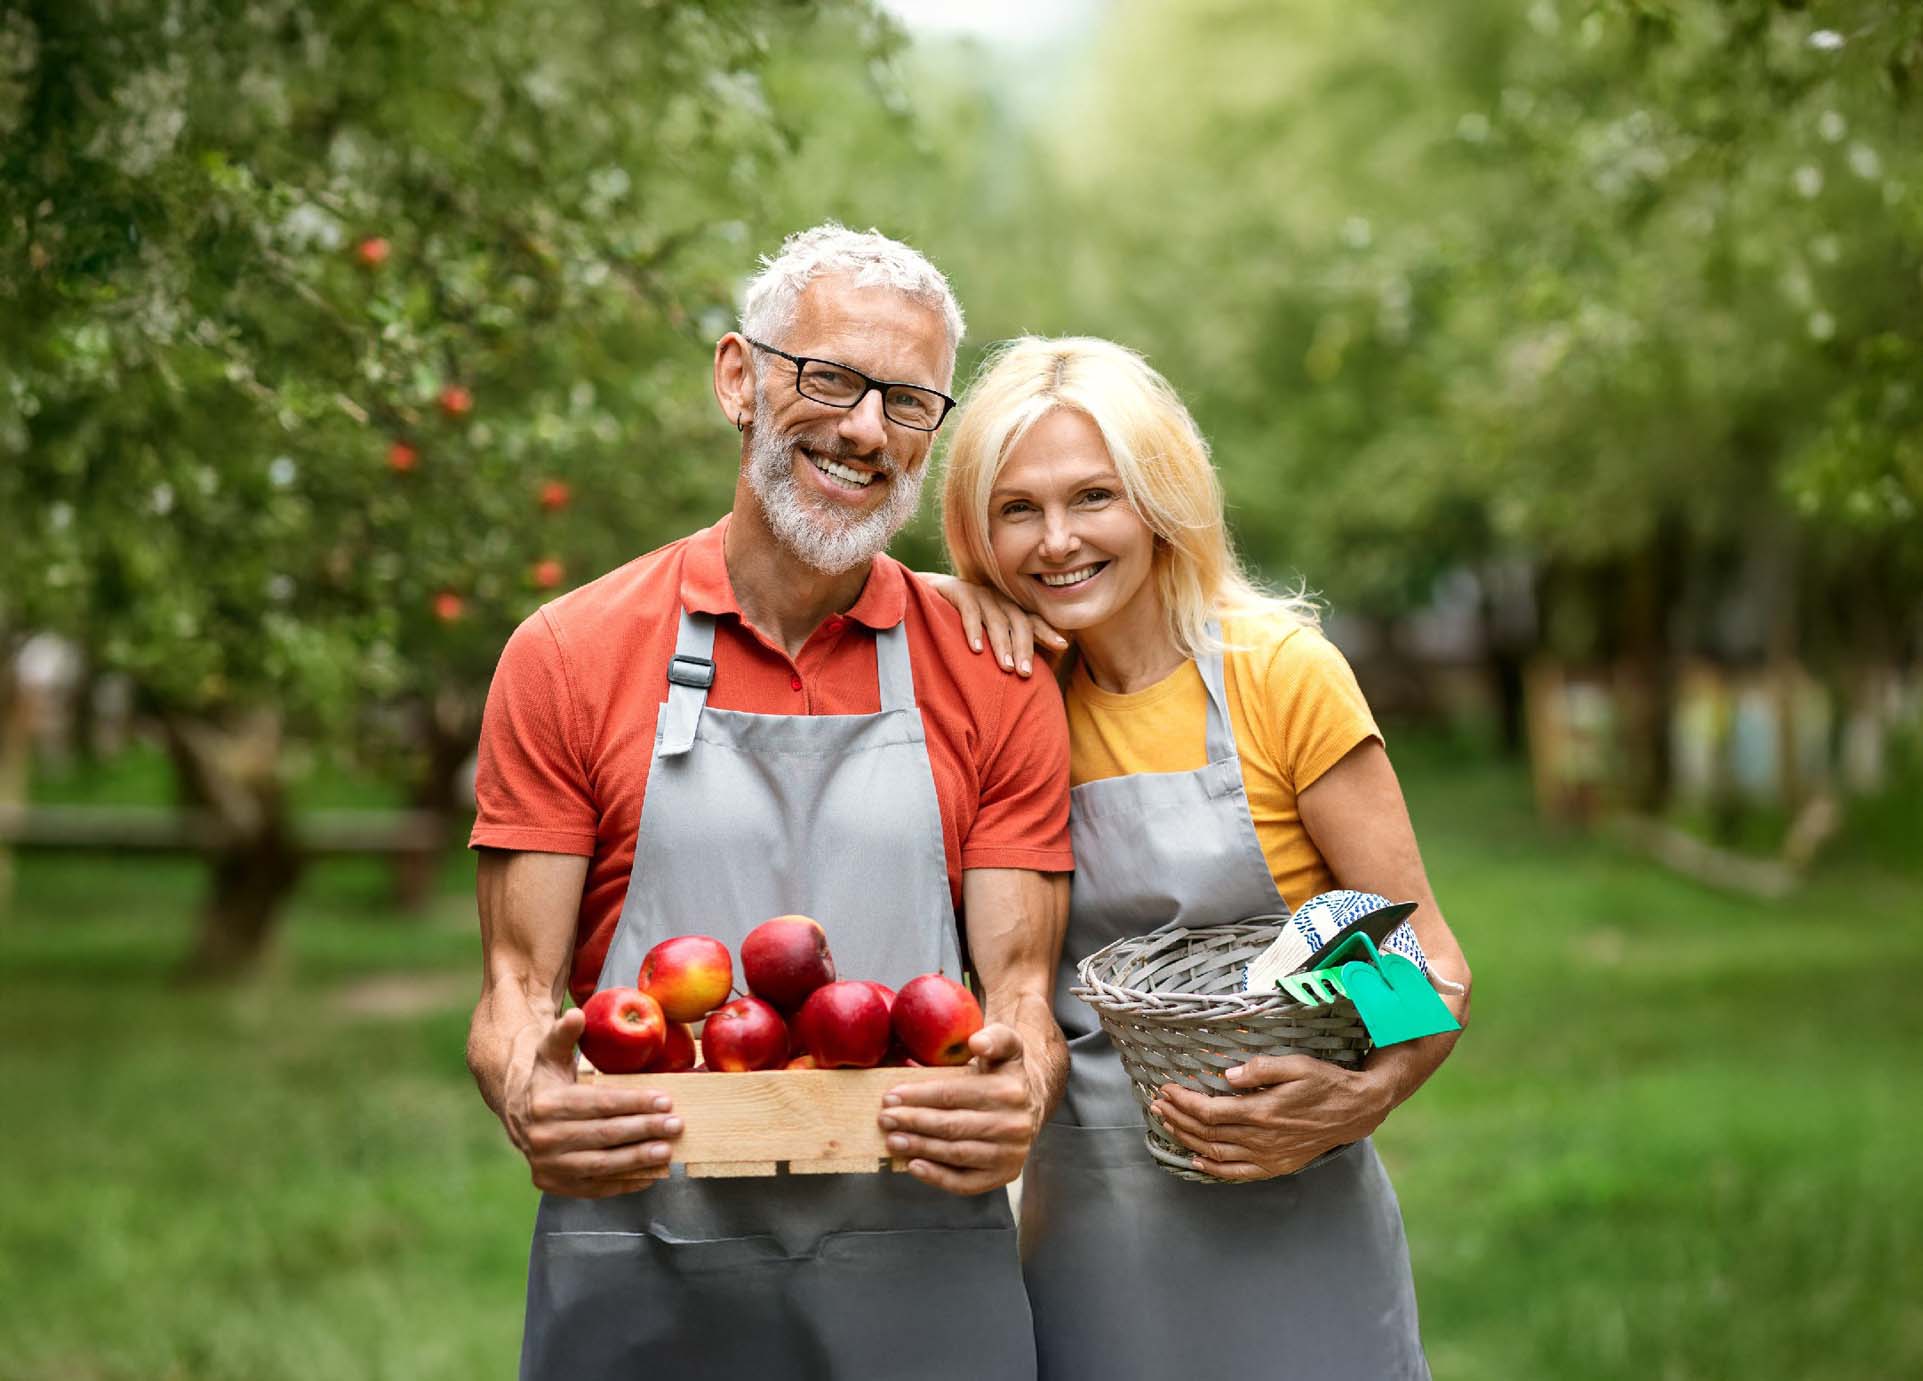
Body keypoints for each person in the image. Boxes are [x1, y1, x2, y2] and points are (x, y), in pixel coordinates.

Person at [465, 226, 1074, 1379]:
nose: (862, 429)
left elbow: (1024, 994)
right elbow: (513, 988)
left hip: (921, 1263)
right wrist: (524, 1089)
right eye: (831, 377)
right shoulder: (569, 653)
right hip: (644, 1256)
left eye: (905, 402)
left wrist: (1022, 1088)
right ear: (740, 380)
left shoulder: (992, 671)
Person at [930, 335, 1473, 1379]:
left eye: (1095, 497)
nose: (1056, 542)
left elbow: (1424, 965)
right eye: (1016, 509)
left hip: (1296, 1218)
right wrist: (942, 598)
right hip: (1086, 1238)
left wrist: (1369, 1094)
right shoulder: (1006, 699)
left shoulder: (1279, 676)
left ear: (1160, 500)